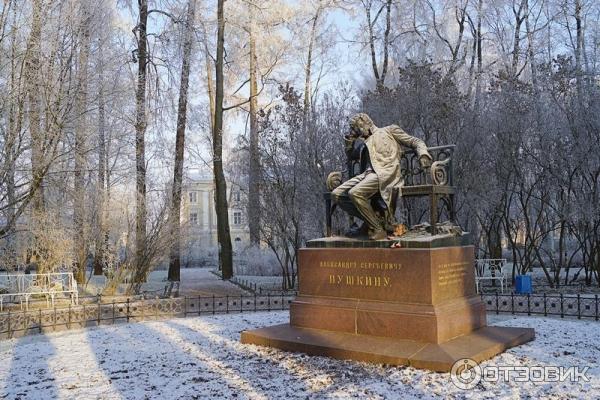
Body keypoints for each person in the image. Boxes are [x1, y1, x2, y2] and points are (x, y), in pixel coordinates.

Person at [331, 113, 432, 240]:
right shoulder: (364, 143)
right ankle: (375, 220)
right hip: (367, 175)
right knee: (336, 194)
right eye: (355, 129)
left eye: (357, 127)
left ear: (365, 122)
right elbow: (351, 155)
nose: (357, 130)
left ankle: (377, 229)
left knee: (355, 193)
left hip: (386, 173)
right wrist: (350, 140)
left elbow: (415, 141)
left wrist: (423, 154)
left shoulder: (390, 130)